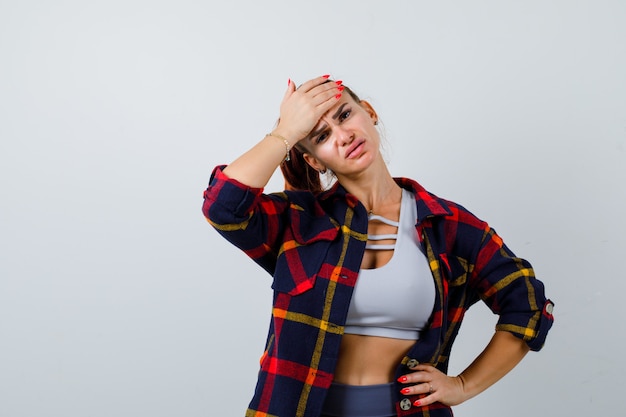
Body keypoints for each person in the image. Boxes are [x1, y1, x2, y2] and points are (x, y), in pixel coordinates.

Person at [202, 75, 554, 417]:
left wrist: (463, 386)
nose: (343, 136)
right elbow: (222, 207)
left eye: (344, 115)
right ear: (313, 160)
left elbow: (529, 306)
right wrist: (287, 131)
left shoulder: (446, 225)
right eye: (322, 136)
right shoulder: (297, 220)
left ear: (368, 112)